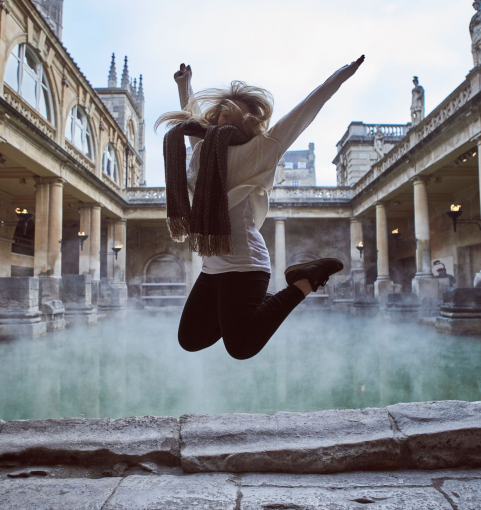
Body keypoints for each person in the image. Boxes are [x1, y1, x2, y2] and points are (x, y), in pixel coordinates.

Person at [156, 55, 365, 360]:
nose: (225, 119)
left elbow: (306, 109)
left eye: (235, 114)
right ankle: (258, 303)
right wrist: (185, 85)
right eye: (222, 113)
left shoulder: (262, 149)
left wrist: (341, 75)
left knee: (241, 346)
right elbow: (195, 118)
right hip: (212, 266)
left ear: (249, 121)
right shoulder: (203, 150)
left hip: (245, 263)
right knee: (191, 338)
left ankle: (307, 280)